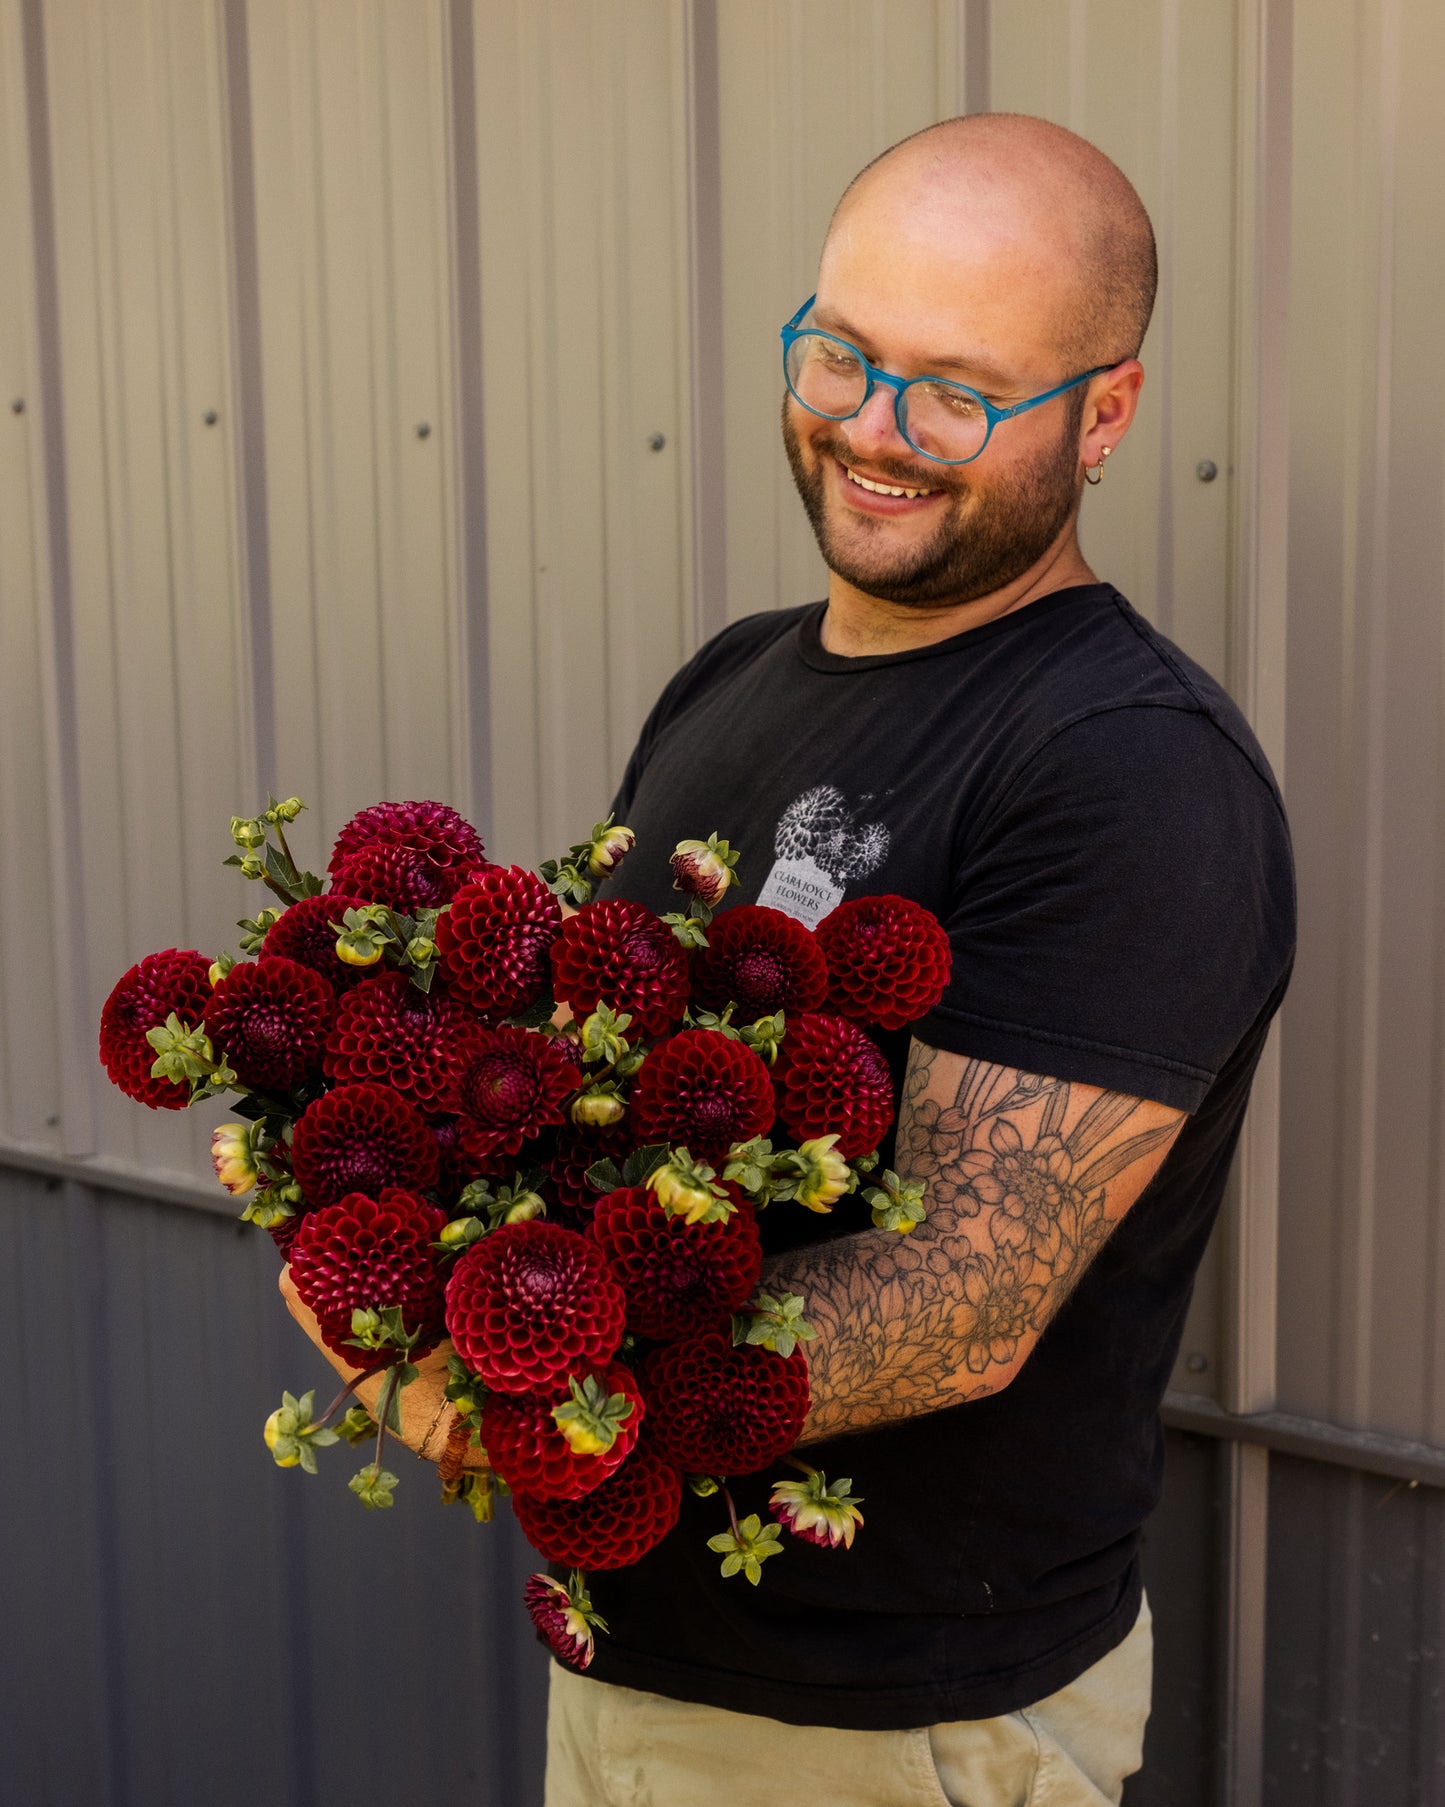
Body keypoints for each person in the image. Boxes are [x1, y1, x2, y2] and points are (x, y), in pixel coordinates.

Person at [285, 114, 1295, 1806]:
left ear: (1104, 414)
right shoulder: (731, 680)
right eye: (841, 354)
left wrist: (506, 1366)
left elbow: (957, 1299)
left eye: (958, 391)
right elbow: (580, 1120)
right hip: (643, 1654)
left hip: (895, 1724)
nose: (872, 431)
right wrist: (381, 1231)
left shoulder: (1126, 766)